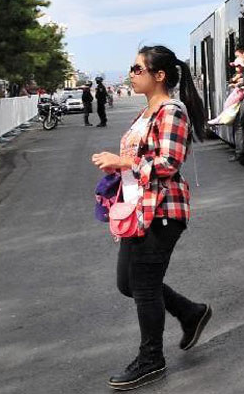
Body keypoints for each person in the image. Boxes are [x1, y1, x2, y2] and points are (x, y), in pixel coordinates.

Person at [91, 45, 211, 391]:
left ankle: (151, 359)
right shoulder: (145, 113)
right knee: (128, 283)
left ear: (159, 75)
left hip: (162, 211)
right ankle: (190, 313)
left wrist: (123, 162)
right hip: (137, 210)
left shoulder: (172, 111)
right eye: (131, 68)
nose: (131, 74)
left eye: (137, 69)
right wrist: (118, 170)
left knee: (143, 285)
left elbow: (169, 163)